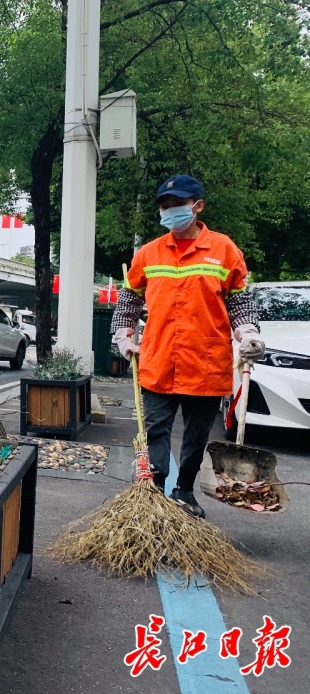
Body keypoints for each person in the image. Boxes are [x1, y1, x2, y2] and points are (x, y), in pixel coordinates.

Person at [111, 174, 264, 519]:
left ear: (197, 206)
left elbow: (240, 302)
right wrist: (123, 335)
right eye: (164, 207)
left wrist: (248, 333)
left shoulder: (224, 250)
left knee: (196, 436)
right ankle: (155, 490)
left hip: (206, 364)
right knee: (155, 431)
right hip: (158, 360)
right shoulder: (149, 253)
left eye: (176, 206)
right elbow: (129, 299)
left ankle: (184, 492)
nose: (169, 213)